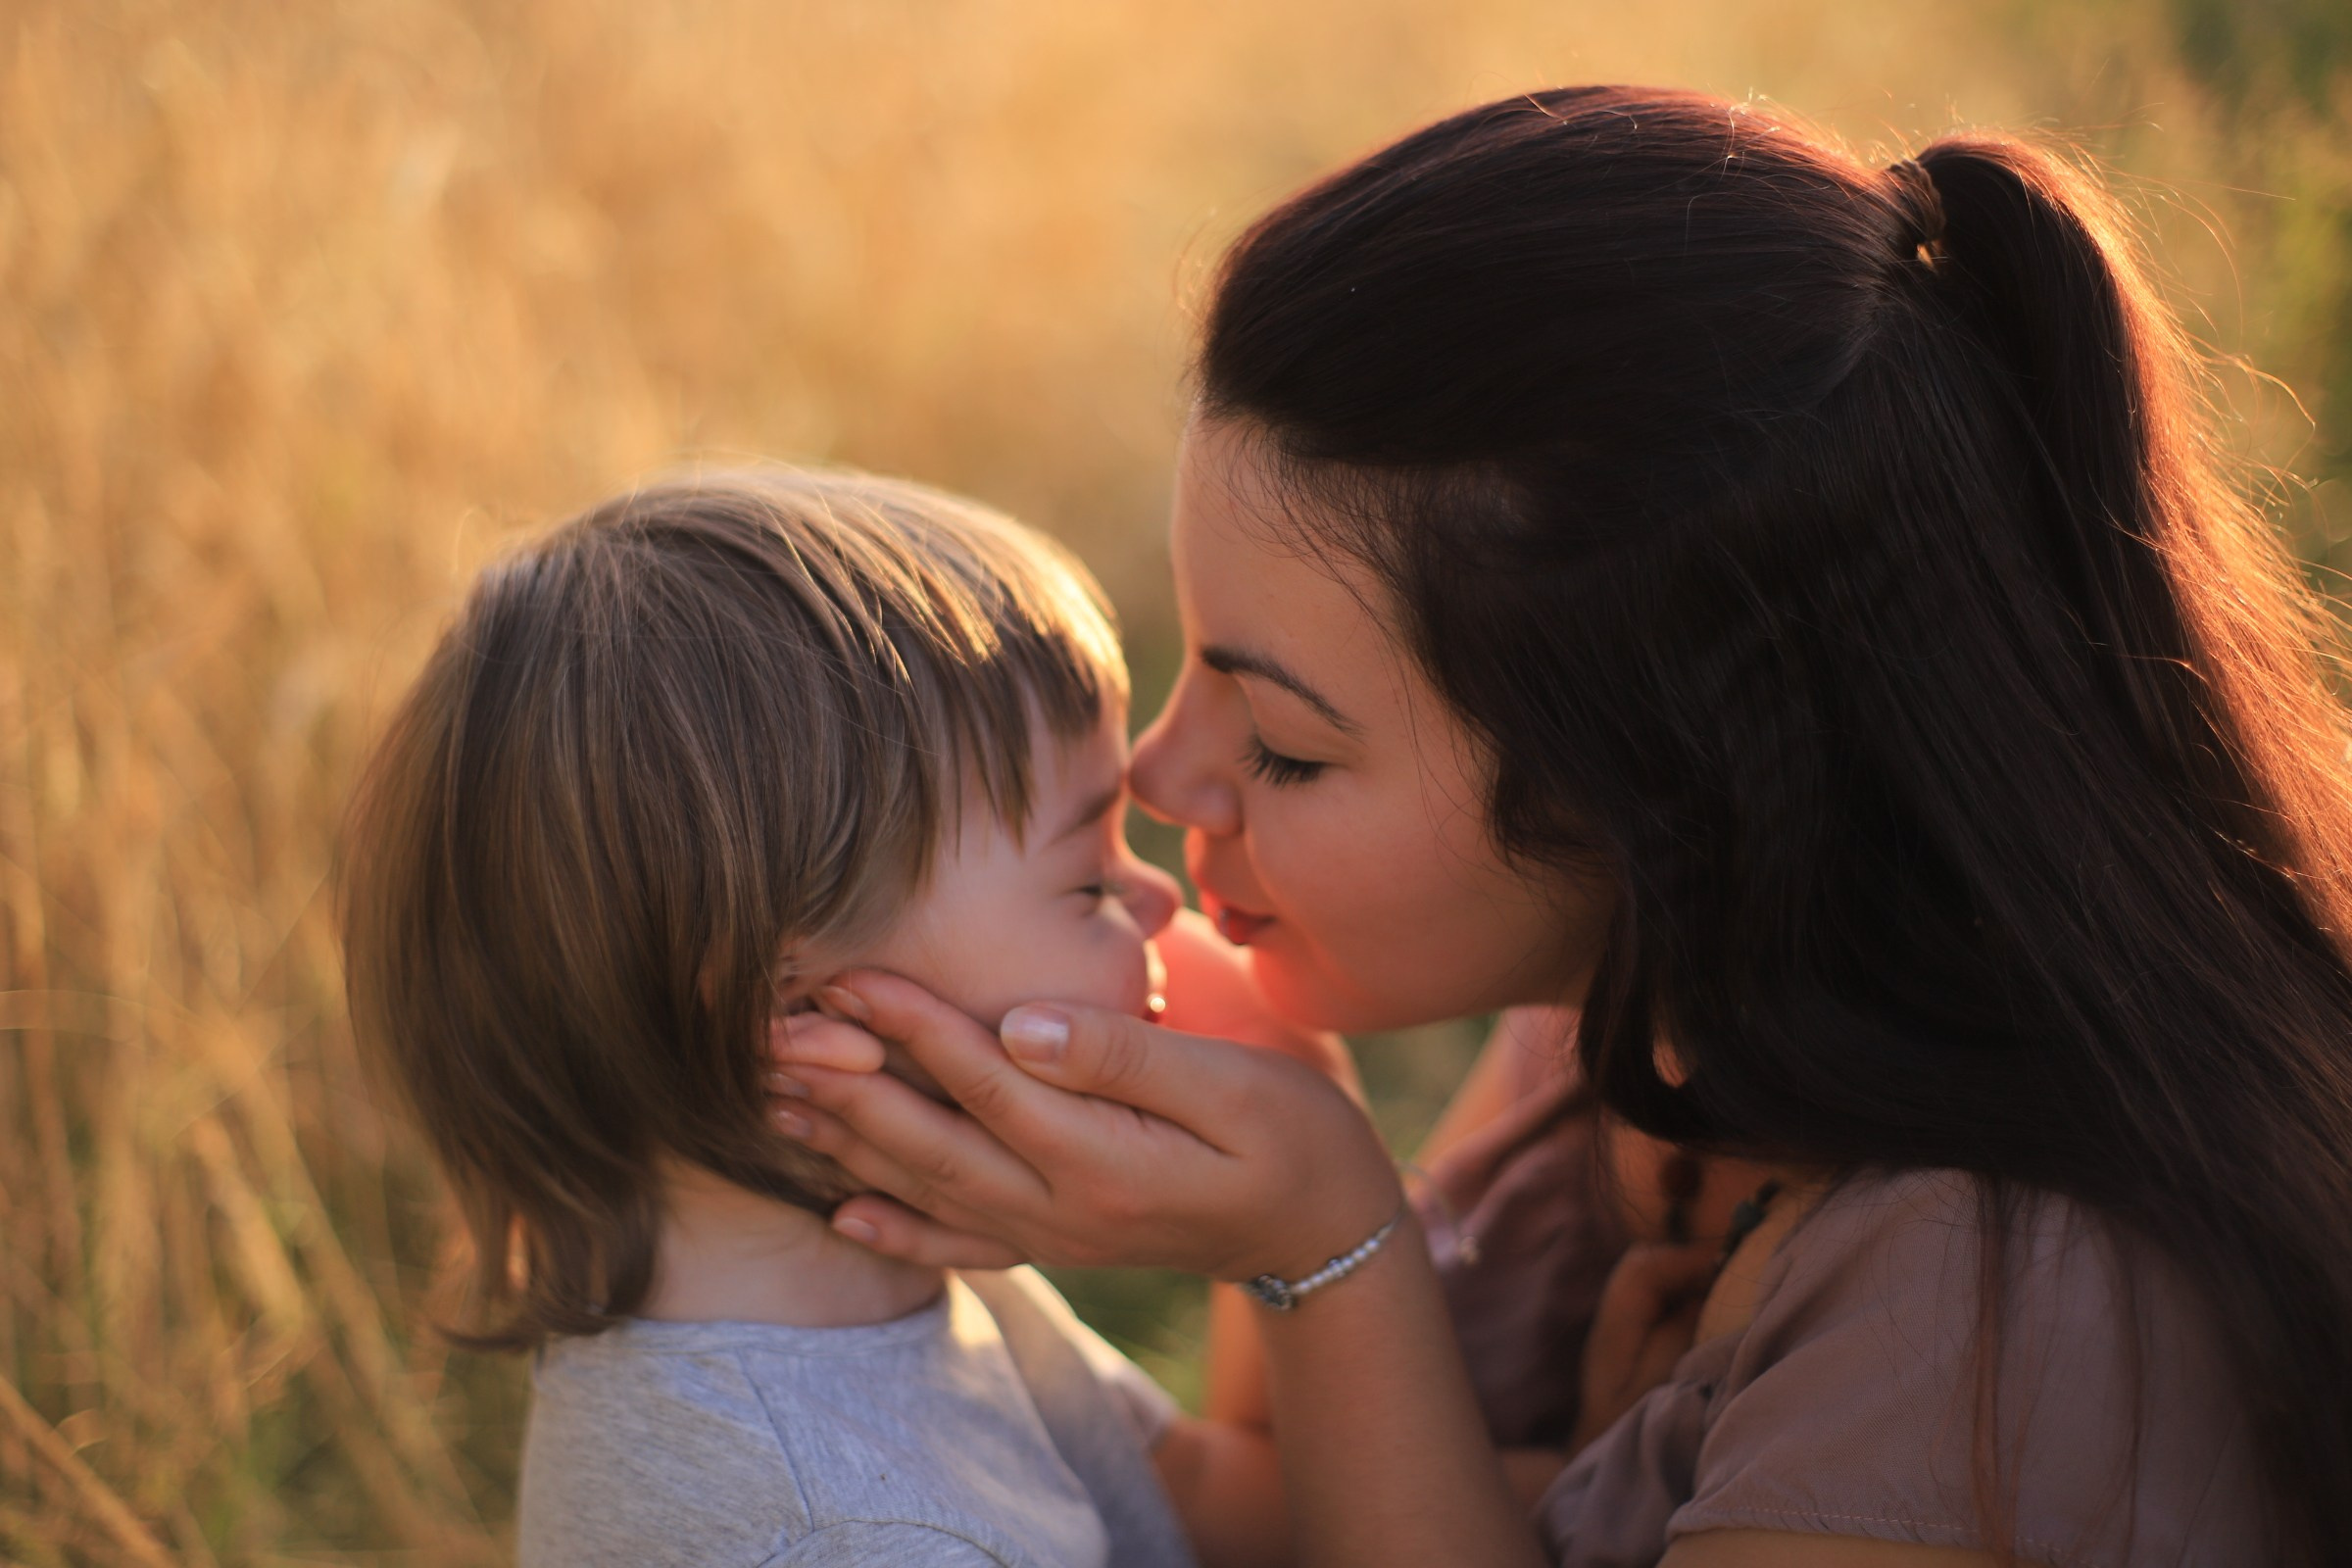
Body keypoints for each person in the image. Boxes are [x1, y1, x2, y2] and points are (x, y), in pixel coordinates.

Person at [765, 88, 2352, 1566]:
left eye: (1290, 748)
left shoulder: (1989, 1324)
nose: (1161, 781)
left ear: (1665, 802)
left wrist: (1329, 1234)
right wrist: (1268, 1131)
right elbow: (1299, 1500)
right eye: (1190, 661)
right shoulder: (1621, 1019)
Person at [337, 468, 1312, 1567]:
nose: (1158, 903)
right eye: (1086, 877)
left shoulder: (908, 1288)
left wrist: (1289, 1201)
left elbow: (1213, 1507)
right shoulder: (838, 1533)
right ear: (799, 1011)